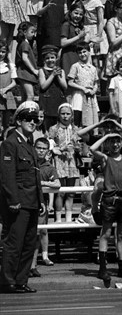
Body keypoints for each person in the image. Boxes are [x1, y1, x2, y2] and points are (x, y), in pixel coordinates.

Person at [0, 101, 45, 294]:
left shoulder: (29, 144)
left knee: (29, 244)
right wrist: (13, 200)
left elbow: (35, 176)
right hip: (18, 203)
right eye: (28, 119)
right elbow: (7, 175)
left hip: (32, 202)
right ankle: (7, 281)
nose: (33, 122)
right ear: (18, 120)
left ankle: (21, 280)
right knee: (14, 243)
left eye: (35, 119)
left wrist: (41, 200)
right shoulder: (10, 143)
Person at [90, 128, 122, 283]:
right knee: (106, 233)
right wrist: (107, 136)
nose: (115, 144)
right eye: (112, 141)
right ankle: (102, 268)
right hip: (110, 199)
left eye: (118, 141)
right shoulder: (105, 158)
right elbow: (92, 149)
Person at [30, 137, 61, 277]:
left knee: (39, 233)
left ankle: (33, 264)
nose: (41, 151)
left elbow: (57, 184)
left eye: (44, 148)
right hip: (25, 203)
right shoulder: (27, 163)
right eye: (39, 148)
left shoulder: (49, 168)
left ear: (47, 151)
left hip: (40, 205)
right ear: (34, 148)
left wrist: (42, 183)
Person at [48, 103, 81, 223]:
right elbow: (50, 145)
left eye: (68, 114)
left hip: (71, 161)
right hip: (59, 160)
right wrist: (59, 148)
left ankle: (68, 218)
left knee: (70, 192)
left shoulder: (76, 129)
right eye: (63, 114)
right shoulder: (53, 129)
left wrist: (76, 147)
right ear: (59, 115)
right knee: (60, 192)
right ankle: (58, 219)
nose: (65, 116)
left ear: (72, 115)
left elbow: (80, 147)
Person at [68, 42, 99, 126]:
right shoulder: (75, 66)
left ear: (89, 52)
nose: (82, 54)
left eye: (84, 51)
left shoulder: (93, 68)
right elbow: (70, 82)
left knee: (90, 119)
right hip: (79, 95)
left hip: (90, 96)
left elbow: (96, 83)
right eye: (80, 53)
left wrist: (94, 90)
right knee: (77, 117)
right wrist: (83, 89)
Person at [15, 21, 38, 102]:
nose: (33, 34)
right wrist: (34, 70)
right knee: (30, 96)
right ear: (25, 32)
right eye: (32, 32)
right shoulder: (25, 44)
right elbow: (25, 58)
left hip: (22, 73)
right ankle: (28, 113)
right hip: (25, 73)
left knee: (24, 97)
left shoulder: (22, 43)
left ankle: (22, 113)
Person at [0, 39, 17, 133]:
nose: (1, 54)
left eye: (3, 52)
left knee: (6, 120)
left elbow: (14, 82)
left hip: (7, 94)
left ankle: (5, 136)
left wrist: (5, 89)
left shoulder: (10, 65)